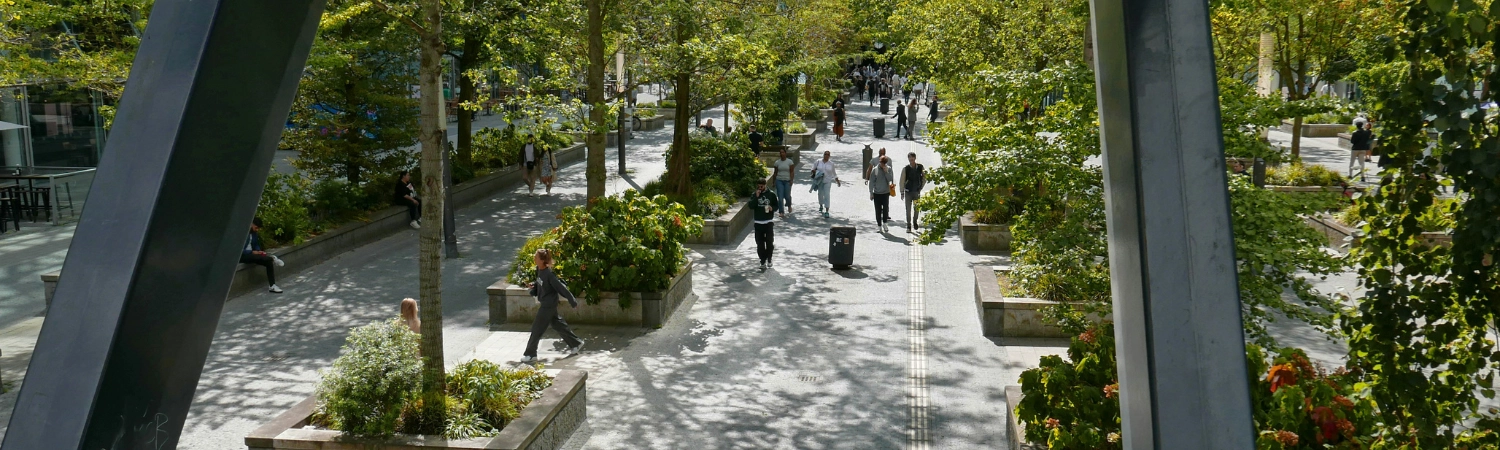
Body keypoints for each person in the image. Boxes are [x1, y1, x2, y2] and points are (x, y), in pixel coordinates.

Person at [522, 249, 584, 363]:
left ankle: (530, 354)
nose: (534, 258)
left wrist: (572, 301)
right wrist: (534, 285)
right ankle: (576, 343)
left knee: (537, 328)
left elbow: (561, 288)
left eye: (536, 257)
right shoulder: (539, 270)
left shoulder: (549, 274)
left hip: (548, 305)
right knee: (558, 324)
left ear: (542, 260)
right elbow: (540, 283)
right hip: (546, 303)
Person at [242, 217, 284, 294]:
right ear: (251, 224)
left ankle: (272, 285)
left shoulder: (254, 234)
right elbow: (239, 250)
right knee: (257, 256)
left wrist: (258, 251)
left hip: (253, 254)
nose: (257, 229)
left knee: (268, 262)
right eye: (256, 227)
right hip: (243, 256)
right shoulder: (242, 233)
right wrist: (252, 252)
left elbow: (256, 245)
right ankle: (273, 258)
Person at [751, 178, 779, 269]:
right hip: (758, 222)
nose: (760, 188)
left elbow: (777, 206)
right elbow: (751, 206)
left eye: (762, 186)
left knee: (769, 242)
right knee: (760, 243)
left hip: (768, 222)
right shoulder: (754, 195)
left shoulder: (771, 194)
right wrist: (756, 197)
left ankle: (769, 258)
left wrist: (772, 208)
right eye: (758, 186)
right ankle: (762, 260)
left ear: (765, 185)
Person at [899, 152, 926, 232]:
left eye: (912, 158)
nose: (911, 159)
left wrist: (921, 187)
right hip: (908, 192)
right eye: (910, 158)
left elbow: (924, 178)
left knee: (917, 209)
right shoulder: (906, 169)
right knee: (908, 209)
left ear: (915, 158)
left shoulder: (920, 167)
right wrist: (902, 192)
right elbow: (902, 180)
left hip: (916, 191)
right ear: (908, 159)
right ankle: (908, 225)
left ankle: (915, 221)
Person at [811, 150, 843, 217]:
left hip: (827, 181)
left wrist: (837, 181)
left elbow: (834, 173)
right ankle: (821, 205)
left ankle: (827, 210)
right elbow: (812, 169)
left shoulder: (831, 164)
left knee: (827, 195)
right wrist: (815, 172)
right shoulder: (818, 162)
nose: (826, 156)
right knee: (820, 194)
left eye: (828, 155)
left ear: (829, 156)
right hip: (820, 181)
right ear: (823, 155)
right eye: (825, 154)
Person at [869, 156, 895, 232]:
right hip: (877, 193)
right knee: (878, 210)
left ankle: (885, 223)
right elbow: (871, 182)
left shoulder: (889, 169)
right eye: (881, 163)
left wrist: (886, 172)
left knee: (885, 209)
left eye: (884, 163)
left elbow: (890, 179)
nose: (882, 165)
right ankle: (879, 225)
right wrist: (871, 193)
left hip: (885, 193)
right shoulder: (875, 170)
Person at [772, 148, 796, 217]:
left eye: (783, 152)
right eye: (780, 153)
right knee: (780, 197)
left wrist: (791, 180)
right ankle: (781, 211)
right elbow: (775, 172)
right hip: (779, 180)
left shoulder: (790, 162)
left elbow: (792, 172)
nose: (782, 154)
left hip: (787, 181)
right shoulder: (777, 162)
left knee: (787, 196)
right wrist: (774, 182)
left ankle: (789, 205)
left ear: (785, 153)